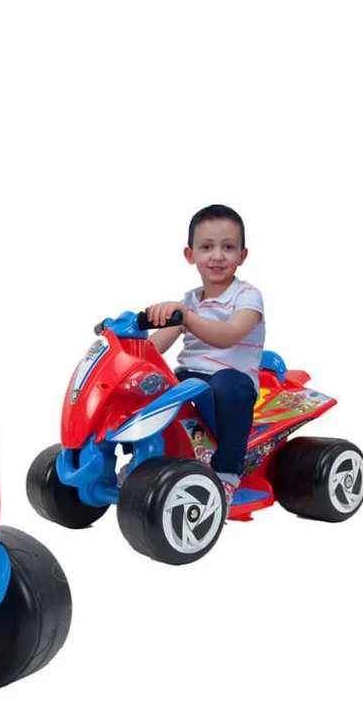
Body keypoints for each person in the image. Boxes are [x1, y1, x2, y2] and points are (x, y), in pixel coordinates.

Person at [146, 204, 265, 504]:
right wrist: (128, 343)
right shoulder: (188, 302)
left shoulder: (247, 296)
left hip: (231, 382)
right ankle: (145, 464)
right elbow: (153, 350)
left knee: (227, 384)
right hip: (190, 379)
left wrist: (185, 317)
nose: (217, 255)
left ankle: (227, 473)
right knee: (150, 386)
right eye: (207, 247)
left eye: (228, 247)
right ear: (190, 255)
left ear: (242, 255)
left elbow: (229, 335)